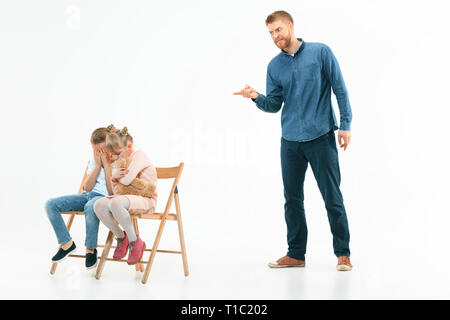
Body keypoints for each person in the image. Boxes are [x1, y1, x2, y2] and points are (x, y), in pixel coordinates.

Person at [233, 10, 353, 271]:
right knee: (292, 199)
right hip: (290, 142)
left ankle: (343, 254)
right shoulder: (274, 66)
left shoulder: (321, 52)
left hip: (321, 136)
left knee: (332, 196)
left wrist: (345, 125)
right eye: (271, 33)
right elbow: (274, 105)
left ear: (290, 26)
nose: (275, 36)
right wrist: (256, 97)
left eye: (278, 30)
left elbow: (340, 88)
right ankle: (296, 254)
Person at [45, 126, 114, 269]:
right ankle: (67, 243)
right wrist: (97, 166)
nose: (99, 153)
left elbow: (112, 192)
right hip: (87, 195)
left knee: (90, 206)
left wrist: (106, 165)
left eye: (102, 150)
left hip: (104, 199)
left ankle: (90, 249)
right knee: (50, 204)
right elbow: (87, 188)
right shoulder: (94, 161)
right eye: (96, 151)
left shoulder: (116, 161)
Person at [94, 126, 158, 265]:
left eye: (117, 154)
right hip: (127, 198)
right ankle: (122, 237)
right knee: (98, 204)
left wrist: (115, 176)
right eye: (114, 155)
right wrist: (114, 176)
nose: (115, 158)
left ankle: (135, 240)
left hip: (145, 199)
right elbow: (116, 186)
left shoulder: (139, 155)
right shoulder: (122, 158)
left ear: (128, 146)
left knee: (115, 203)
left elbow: (127, 180)